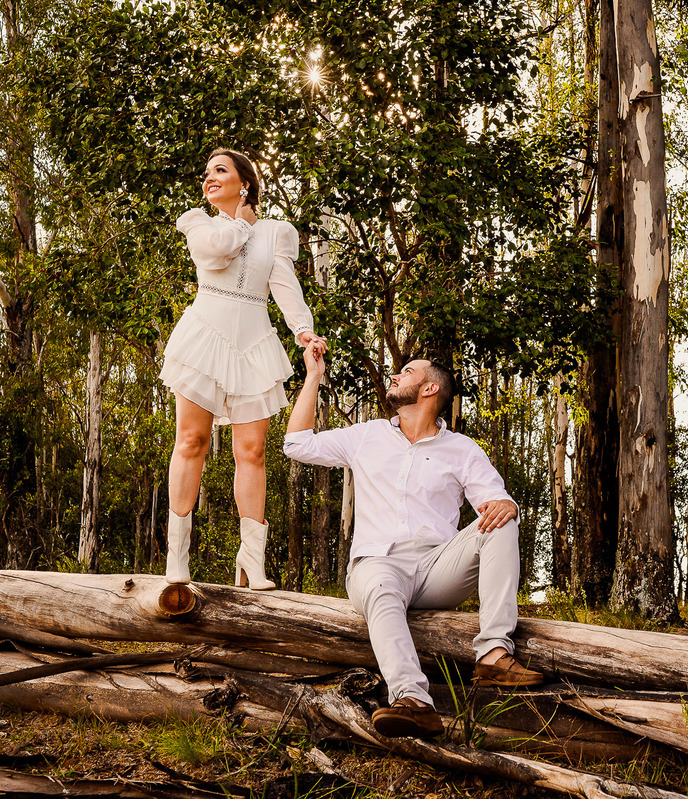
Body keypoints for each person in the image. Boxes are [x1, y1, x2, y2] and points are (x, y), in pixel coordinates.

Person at [282, 342, 542, 738]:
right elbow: (296, 445)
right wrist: (314, 376)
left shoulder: (461, 449)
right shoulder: (367, 436)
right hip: (378, 565)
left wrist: (505, 503)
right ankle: (414, 701)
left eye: (406, 372)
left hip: (438, 567)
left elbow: (495, 501)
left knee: (503, 519)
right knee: (382, 588)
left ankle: (493, 655)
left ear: (429, 389)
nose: (395, 376)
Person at [160, 148, 328, 590]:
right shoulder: (199, 222)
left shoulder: (277, 233)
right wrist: (240, 220)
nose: (208, 178)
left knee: (252, 452)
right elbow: (217, 254)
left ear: (245, 181)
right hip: (204, 337)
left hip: (254, 342)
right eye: (206, 172)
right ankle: (177, 561)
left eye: (220, 171)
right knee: (191, 440)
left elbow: (284, 287)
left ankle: (252, 564)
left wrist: (303, 332)